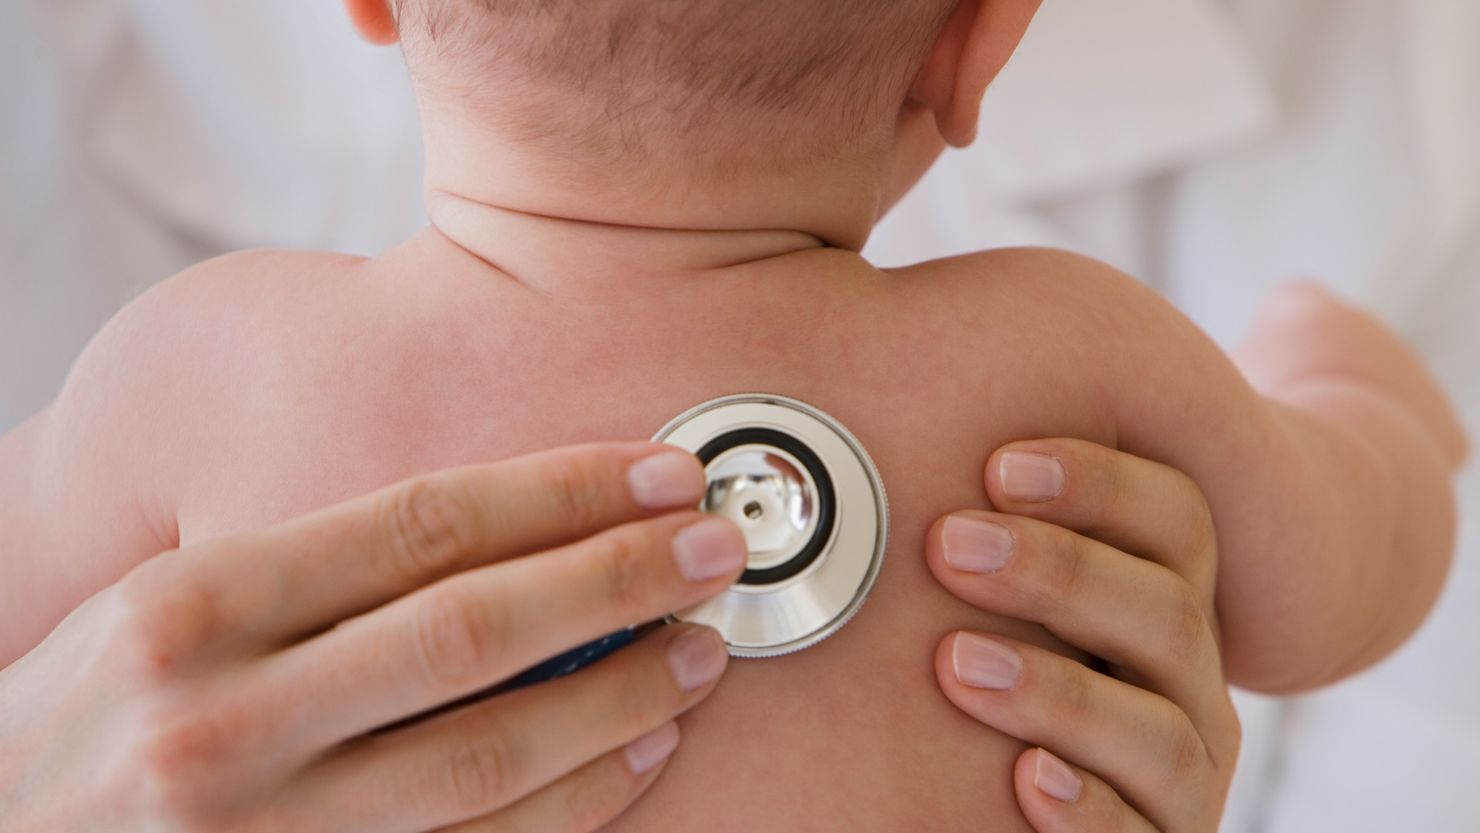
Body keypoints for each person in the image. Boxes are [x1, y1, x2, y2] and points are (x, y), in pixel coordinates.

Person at [0, 0, 1465, 830]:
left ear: (371, 8)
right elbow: (1338, 582)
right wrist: (1360, 389)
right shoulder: (1075, 351)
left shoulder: (205, 368)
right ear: (976, 48)